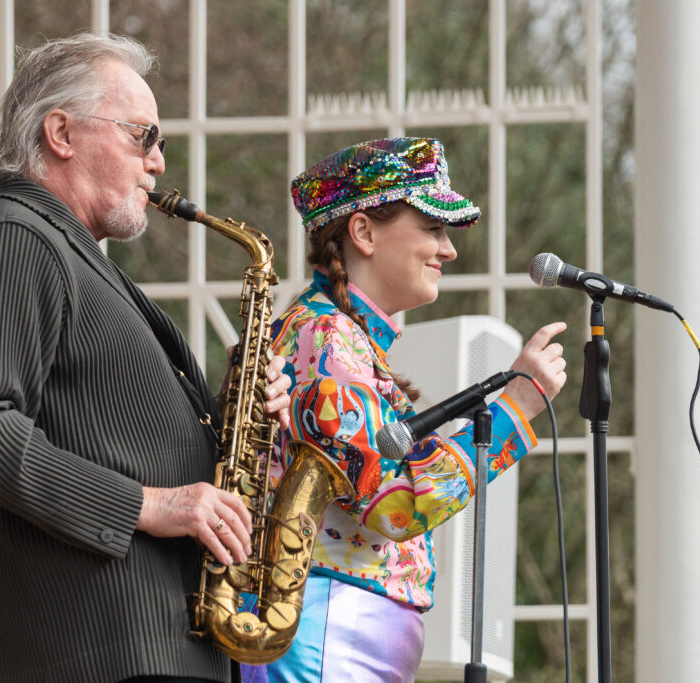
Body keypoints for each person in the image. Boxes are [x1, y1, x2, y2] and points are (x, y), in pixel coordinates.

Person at [0, 33, 292, 683]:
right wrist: (149, 505)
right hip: (88, 654)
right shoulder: (11, 239)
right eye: (143, 136)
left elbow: (104, 432)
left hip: (145, 649)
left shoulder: (71, 258)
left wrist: (232, 418)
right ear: (61, 132)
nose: (159, 163)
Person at [242, 137, 568, 682]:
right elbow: (394, 503)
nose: (449, 251)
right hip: (328, 631)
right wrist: (515, 408)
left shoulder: (335, 336)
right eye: (434, 229)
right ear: (364, 233)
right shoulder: (327, 336)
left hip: (336, 631)